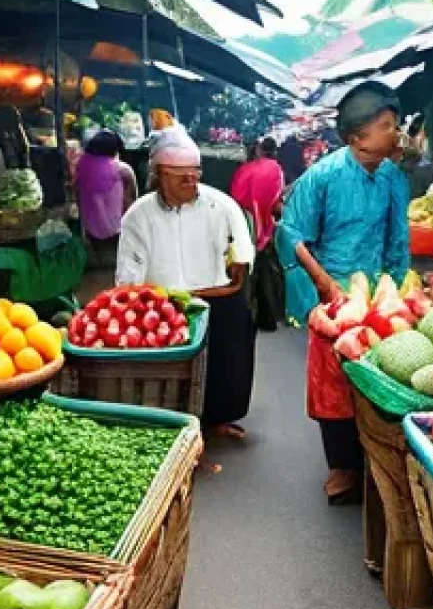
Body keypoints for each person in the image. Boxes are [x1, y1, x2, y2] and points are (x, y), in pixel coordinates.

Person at [278, 83, 410, 505]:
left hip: (378, 294)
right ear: (357, 138)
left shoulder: (393, 177)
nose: (396, 133)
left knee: (380, 374)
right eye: (386, 126)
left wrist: (398, 287)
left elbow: (398, 239)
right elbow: (291, 235)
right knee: (332, 383)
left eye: (395, 124)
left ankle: (378, 458)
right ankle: (342, 467)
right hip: (332, 293)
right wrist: (323, 284)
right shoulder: (323, 177)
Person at [116, 125, 256, 438]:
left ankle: (220, 418)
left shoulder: (222, 205)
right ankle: (169, 419)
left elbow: (241, 262)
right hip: (163, 303)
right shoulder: (137, 216)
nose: (190, 180)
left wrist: (231, 272)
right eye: (180, 175)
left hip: (217, 297)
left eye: (195, 173)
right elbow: (128, 276)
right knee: (166, 368)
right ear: (158, 175)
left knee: (230, 350)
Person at [230, 137, 285, 331]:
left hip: (245, 225)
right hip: (265, 228)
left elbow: (236, 195)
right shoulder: (275, 169)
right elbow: (275, 199)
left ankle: (243, 316)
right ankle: (268, 318)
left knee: (246, 273)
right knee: (265, 273)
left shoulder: (246, 169)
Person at [75, 129, 138, 259]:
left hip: (90, 229)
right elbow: (134, 197)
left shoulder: (81, 166)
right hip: (116, 229)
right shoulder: (123, 169)